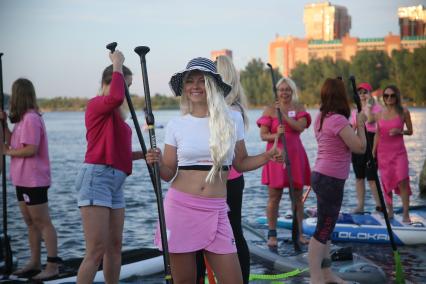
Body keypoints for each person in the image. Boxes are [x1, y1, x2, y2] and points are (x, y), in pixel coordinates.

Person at [145, 57, 279, 284]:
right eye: (190, 81)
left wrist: (268, 156)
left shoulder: (233, 119)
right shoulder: (176, 125)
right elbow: (168, 173)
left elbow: (241, 163)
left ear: (213, 86)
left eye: (202, 81)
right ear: (184, 88)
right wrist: (156, 163)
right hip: (180, 208)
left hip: (216, 210)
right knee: (185, 281)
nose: (195, 86)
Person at [75, 50, 144, 283]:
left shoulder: (117, 117)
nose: (127, 93)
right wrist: (117, 63)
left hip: (115, 182)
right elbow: (114, 97)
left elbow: (120, 154)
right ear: (110, 82)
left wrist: (144, 155)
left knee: (115, 247)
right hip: (97, 177)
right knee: (96, 251)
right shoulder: (96, 105)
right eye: (126, 85)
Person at [308, 78, 366, 284]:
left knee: (327, 227)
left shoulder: (321, 117)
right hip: (330, 179)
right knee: (322, 230)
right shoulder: (338, 121)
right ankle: (316, 279)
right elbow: (360, 147)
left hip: (322, 175)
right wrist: (360, 125)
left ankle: (326, 274)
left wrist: (354, 124)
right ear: (341, 96)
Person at [1, 78, 60, 280]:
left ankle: (52, 265)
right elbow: (12, 142)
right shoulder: (21, 121)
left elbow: (31, 149)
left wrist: (7, 152)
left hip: (34, 180)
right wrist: (3, 124)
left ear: (19, 95)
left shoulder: (32, 119)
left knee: (42, 222)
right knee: (30, 222)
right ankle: (34, 262)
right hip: (21, 179)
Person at [257, 77, 311, 247]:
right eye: (281, 89)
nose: (284, 92)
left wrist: (284, 117)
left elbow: (300, 127)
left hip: (295, 155)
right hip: (276, 155)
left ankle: (299, 233)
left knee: (297, 197)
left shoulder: (299, 108)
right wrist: (276, 135)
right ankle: (272, 235)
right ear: (277, 91)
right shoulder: (269, 110)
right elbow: (263, 135)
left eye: (288, 89)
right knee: (274, 196)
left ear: (292, 91)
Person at [216, 55, 250, 283]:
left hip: (228, 178)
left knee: (232, 231)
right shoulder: (233, 106)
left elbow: (238, 155)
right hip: (228, 178)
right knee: (233, 231)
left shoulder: (231, 110)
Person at [373, 85, 413, 223]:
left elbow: (410, 131)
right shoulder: (379, 114)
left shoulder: (404, 112)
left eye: (392, 95)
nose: (389, 98)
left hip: (399, 152)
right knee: (386, 182)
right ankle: (390, 212)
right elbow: (377, 134)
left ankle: (406, 214)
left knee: (403, 180)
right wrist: (373, 153)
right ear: (383, 98)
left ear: (397, 97)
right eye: (386, 96)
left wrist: (400, 131)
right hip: (383, 153)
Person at [350, 82, 382, 213]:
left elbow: (369, 121)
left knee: (372, 178)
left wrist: (368, 106)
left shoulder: (377, 109)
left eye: (365, 92)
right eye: (360, 93)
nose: (362, 95)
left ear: (370, 94)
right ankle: (360, 206)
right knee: (359, 177)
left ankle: (380, 206)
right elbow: (352, 127)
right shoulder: (354, 110)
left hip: (371, 140)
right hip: (358, 141)